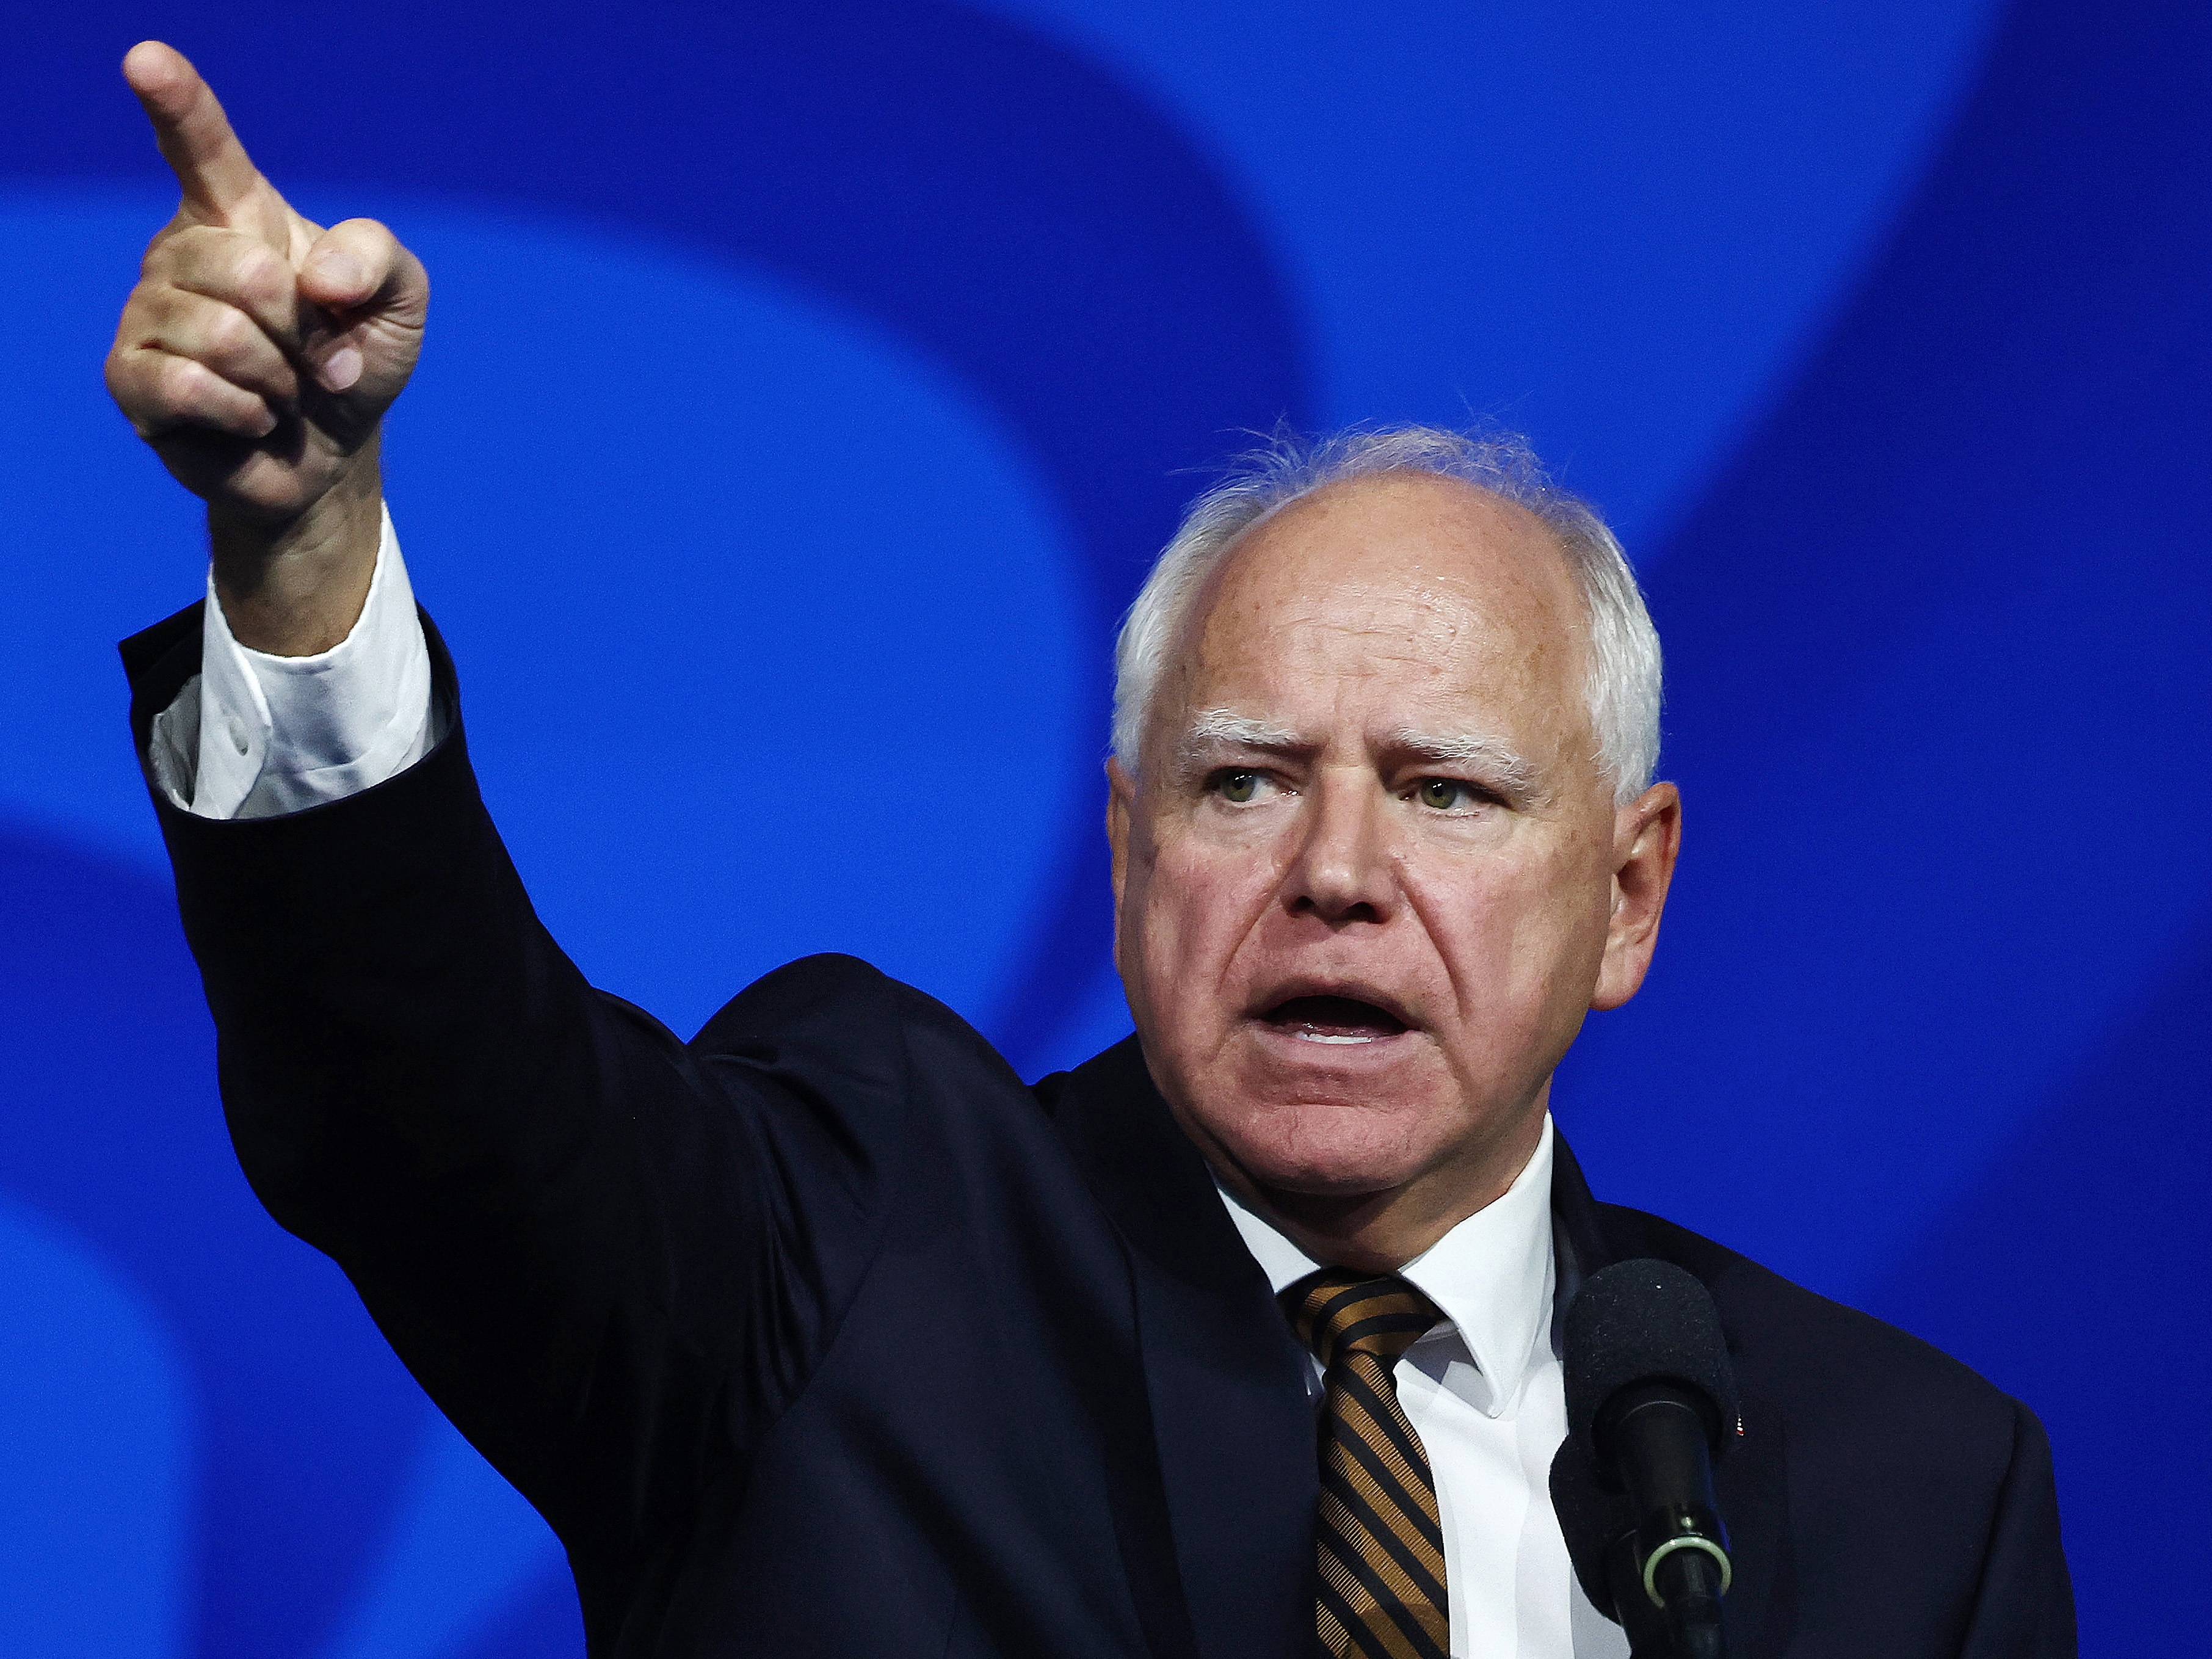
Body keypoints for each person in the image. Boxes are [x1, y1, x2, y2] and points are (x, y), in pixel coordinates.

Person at [105, 40, 2073, 1659]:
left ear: (1628, 893)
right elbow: (431, 1108)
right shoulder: (847, 1258)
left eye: (1449, 790)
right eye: (1242, 781)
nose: (1337, 871)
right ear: (1129, 853)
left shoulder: (1904, 1483)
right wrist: (299, 554)